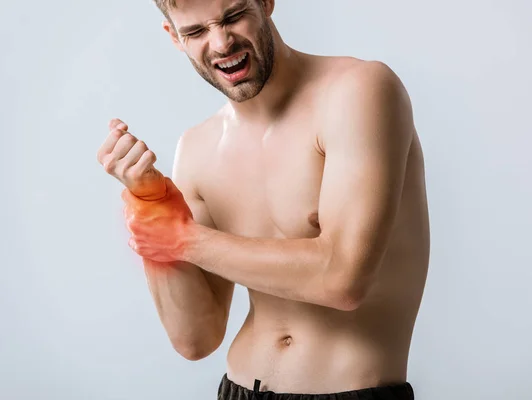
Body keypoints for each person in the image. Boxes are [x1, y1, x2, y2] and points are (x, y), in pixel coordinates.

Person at [96, 0, 430, 398]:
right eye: (196, 32)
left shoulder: (359, 91)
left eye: (233, 16)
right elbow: (195, 338)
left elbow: (344, 279)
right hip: (237, 388)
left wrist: (184, 239)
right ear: (174, 37)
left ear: (266, 3)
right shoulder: (198, 148)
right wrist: (151, 205)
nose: (221, 43)